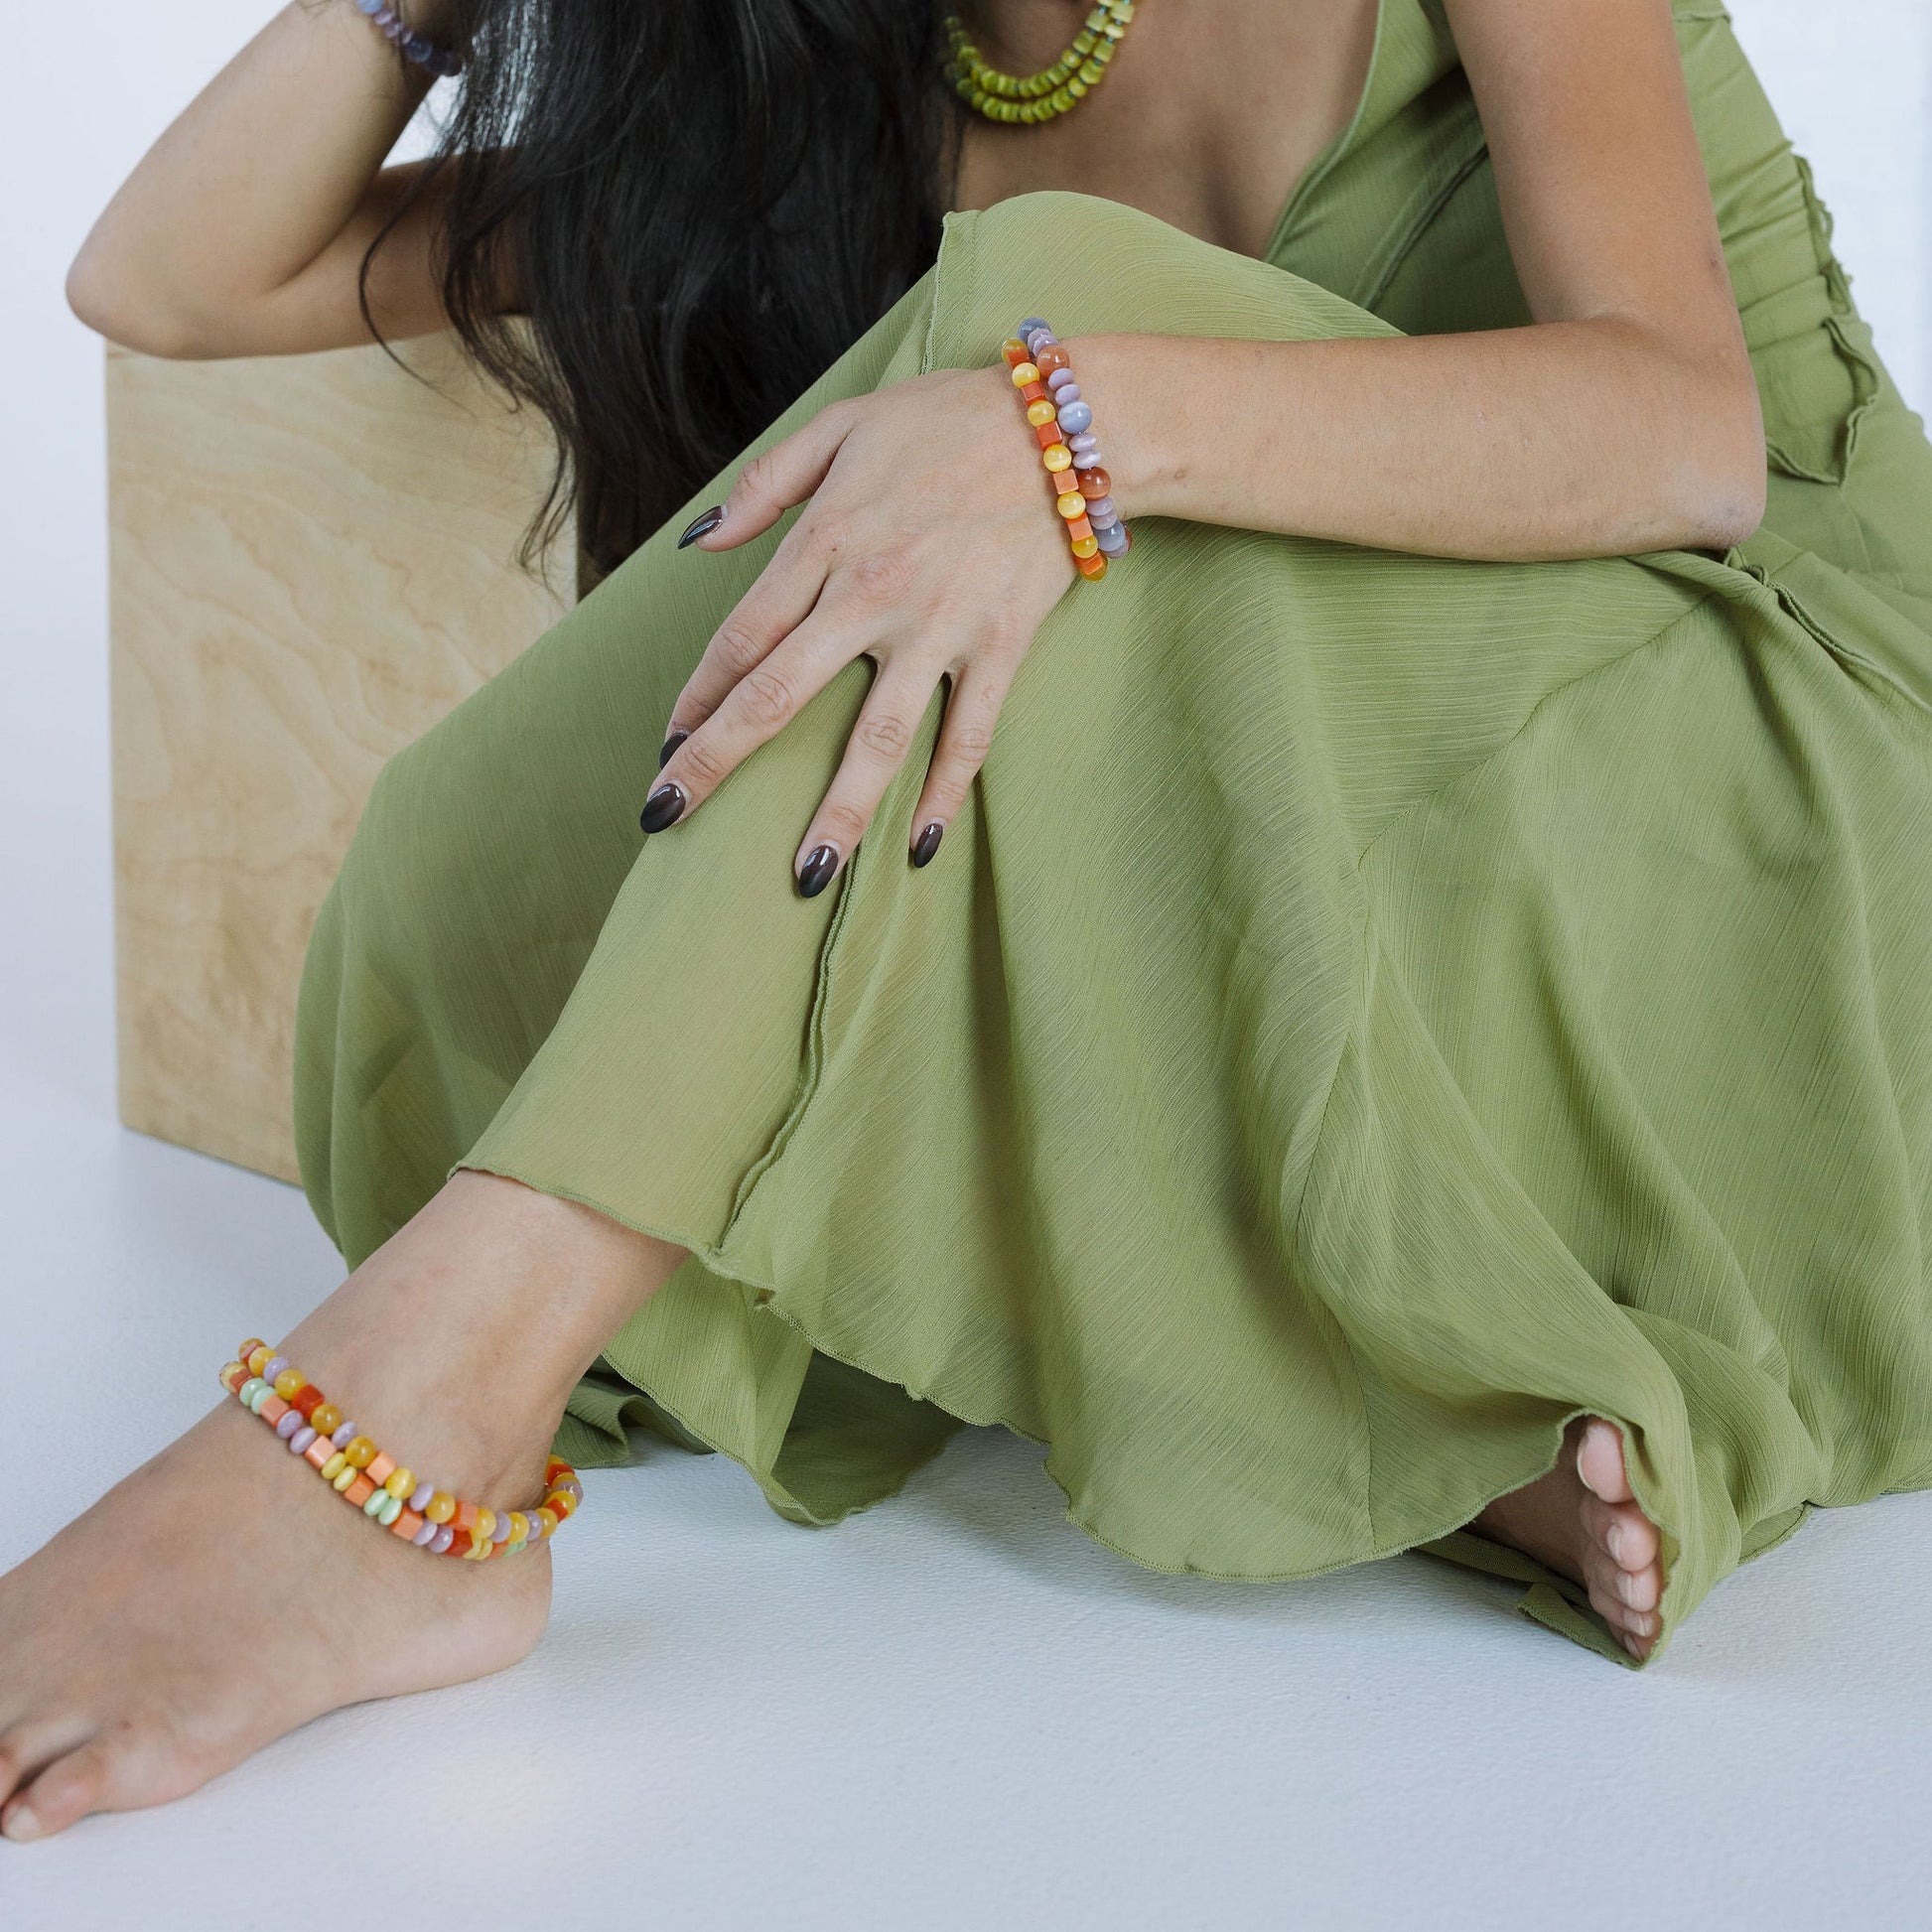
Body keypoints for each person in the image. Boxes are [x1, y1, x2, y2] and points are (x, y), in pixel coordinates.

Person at [4, 0, 1928, 1843]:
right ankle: (1393, 1365)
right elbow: (169, 274)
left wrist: (1060, 425)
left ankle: (400, 1440)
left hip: (1752, 752)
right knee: (467, 866)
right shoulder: (814, 88)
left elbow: (1682, 432)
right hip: (1318, 835)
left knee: (1029, 345)